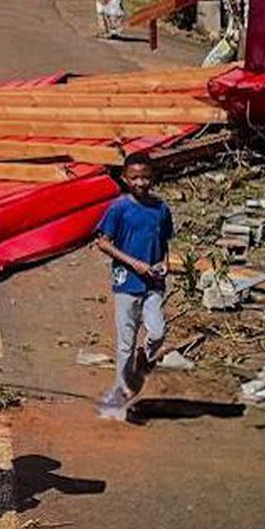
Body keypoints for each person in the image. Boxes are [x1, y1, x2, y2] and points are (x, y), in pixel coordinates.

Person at [93, 152, 173, 421]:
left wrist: (165, 263)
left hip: (154, 282)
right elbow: (103, 242)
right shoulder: (119, 208)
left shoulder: (161, 209)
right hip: (127, 282)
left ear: (154, 178)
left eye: (146, 177)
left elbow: (163, 242)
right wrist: (134, 263)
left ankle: (146, 357)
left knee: (158, 330)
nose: (141, 183)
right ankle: (119, 397)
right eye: (135, 178)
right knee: (124, 345)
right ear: (125, 179)